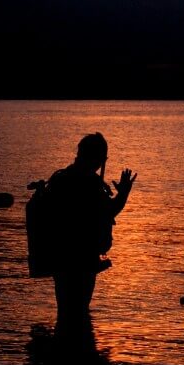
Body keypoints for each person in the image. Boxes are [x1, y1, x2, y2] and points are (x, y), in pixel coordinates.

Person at [44, 132, 136, 336]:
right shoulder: (90, 184)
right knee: (78, 311)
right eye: (102, 158)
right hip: (83, 259)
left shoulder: (61, 178)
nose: (103, 162)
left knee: (66, 312)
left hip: (60, 258)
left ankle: (68, 358)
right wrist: (124, 193)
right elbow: (108, 212)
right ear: (96, 157)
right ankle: (80, 359)